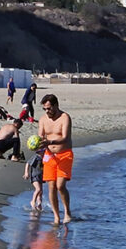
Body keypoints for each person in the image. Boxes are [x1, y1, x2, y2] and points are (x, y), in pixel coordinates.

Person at [38, 94, 73, 225]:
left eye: (49, 108)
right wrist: (38, 145)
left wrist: (50, 141)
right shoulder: (42, 119)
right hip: (49, 155)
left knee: (60, 186)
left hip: (64, 154)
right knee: (51, 186)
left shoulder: (65, 118)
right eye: (45, 109)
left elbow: (65, 138)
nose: (47, 111)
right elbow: (40, 137)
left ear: (56, 105)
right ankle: (57, 217)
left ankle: (67, 212)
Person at [22, 141, 44, 211]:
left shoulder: (44, 158)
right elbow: (28, 163)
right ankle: (33, 201)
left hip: (41, 176)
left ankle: (39, 203)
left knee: (40, 191)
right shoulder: (36, 157)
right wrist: (26, 173)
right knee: (38, 189)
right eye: (43, 151)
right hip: (34, 176)